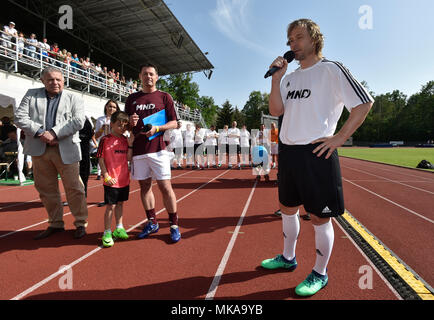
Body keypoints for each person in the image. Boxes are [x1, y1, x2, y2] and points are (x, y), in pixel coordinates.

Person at [261, 19, 374, 296]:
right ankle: (288, 258)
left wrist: (338, 138)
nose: (293, 45)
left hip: (316, 152)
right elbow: (276, 108)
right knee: (287, 208)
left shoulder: (331, 69)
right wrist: (276, 79)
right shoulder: (289, 78)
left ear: (314, 38)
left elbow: (364, 102)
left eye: (298, 38)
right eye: (289, 41)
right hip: (289, 152)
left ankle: (320, 273)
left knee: (320, 217)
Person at [15, 66, 89, 239]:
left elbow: (78, 121)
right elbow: (19, 117)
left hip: (66, 149)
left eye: (58, 79)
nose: (54, 82)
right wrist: (41, 132)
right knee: (46, 189)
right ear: (42, 81)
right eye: (50, 79)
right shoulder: (31, 94)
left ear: (64, 81)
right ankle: (55, 223)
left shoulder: (74, 97)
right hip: (40, 150)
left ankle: (80, 223)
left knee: (74, 188)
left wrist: (54, 133)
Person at [126, 63, 181, 243]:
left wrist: (158, 127)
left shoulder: (164, 97)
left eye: (151, 74)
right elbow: (126, 125)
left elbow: (174, 123)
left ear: (156, 77)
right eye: (145, 74)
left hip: (158, 150)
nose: (148, 77)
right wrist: (130, 123)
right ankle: (152, 221)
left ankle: (173, 224)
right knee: (144, 187)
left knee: (165, 187)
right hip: (139, 151)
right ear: (140, 77)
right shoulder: (132, 98)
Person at [97, 111, 134, 247]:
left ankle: (119, 228)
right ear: (111, 124)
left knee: (120, 204)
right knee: (110, 206)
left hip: (124, 179)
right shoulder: (105, 139)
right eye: (119, 125)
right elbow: (101, 159)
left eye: (125, 126)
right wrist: (106, 175)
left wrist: (130, 144)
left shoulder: (125, 140)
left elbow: (129, 158)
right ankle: (107, 232)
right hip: (111, 180)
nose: (122, 128)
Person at [95, 100, 120, 180]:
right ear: (106, 107)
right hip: (104, 145)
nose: (111, 109)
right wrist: (102, 129)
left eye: (114, 107)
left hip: (115, 145)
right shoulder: (100, 119)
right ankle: (101, 174)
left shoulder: (119, 119)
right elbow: (96, 135)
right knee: (102, 161)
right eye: (110, 106)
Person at [79, 116, 96, 197]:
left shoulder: (85, 119)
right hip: (73, 150)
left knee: (84, 173)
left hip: (84, 150)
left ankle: (83, 193)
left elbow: (91, 134)